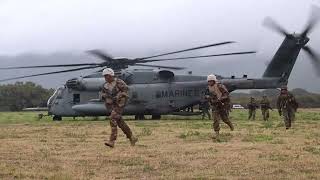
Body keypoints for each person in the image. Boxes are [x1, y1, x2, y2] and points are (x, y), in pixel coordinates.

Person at [100, 68, 138, 148]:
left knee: (112, 119)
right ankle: (132, 137)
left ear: (111, 75)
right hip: (112, 106)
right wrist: (106, 98)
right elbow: (103, 95)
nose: (106, 78)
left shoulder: (119, 82)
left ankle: (112, 141)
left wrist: (119, 96)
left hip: (120, 104)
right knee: (120, 123)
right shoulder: (105, 85)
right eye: (105, 76)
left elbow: (126, 91)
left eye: (107, 76)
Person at [205, 74, 234, 139]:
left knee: (224, 119)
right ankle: (217, 133)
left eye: (210, 81)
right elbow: (205, 95)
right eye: (208, 81)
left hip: (222, 105)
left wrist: (221, 99)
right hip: (215, 105)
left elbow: (226, 94)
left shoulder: (220, 86)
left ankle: (230, 125)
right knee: (215, 119)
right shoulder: (208, 88)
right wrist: (207, 97)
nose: (209, 82)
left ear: (214, 81)